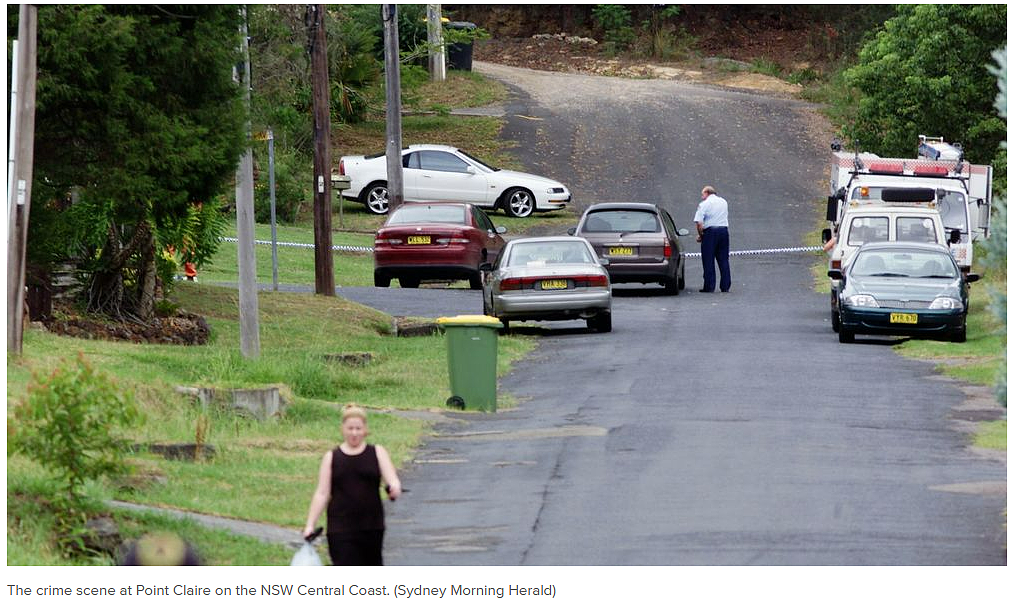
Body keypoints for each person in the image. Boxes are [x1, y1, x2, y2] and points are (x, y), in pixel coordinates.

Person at [303, 404, 401, 566]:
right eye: (350, 428)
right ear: (343, 429)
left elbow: (392, 480)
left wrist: (394, 489)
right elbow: (322, 493)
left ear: (365, 430)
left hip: (372, 525)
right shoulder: (332, 457)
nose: (354, 433)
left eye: (358, 428)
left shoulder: (377, 452)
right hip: (340, 527)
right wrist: (310, 525)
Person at [693, 185, 731, 292]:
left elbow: (699, 223)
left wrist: (701, 235)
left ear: (707, 193)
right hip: (723, 231)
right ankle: (725, 285)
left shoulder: (704, 204)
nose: (702, 197)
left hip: (710, 232)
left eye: (702, 194)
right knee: (723, 259)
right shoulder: (724, 202)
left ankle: (709, 286)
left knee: (708, 260)